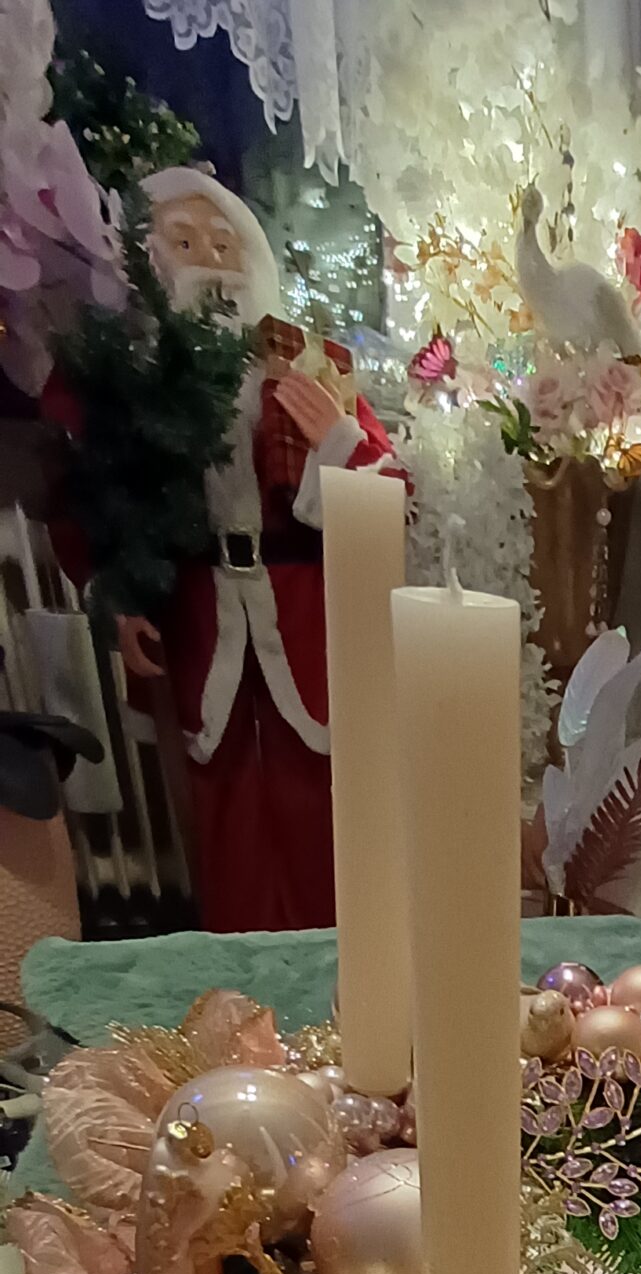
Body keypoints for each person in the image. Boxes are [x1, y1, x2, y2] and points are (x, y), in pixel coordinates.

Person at [77, 167, 403, 932]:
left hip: (300, 614)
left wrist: (338, 441)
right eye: (185, 243)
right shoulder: (138, 385)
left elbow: (390, 490)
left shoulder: (308, 368)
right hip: (202, 617)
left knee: (315, 803)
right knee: (222, 809)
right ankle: (237, 971)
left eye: (225, 245)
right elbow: (99, 506)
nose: (211, 263)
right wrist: (122, 602)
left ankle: (332, 960)